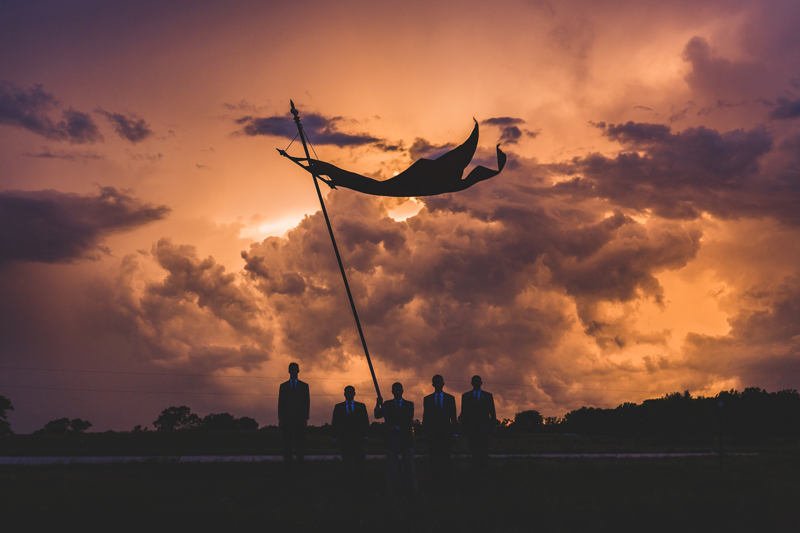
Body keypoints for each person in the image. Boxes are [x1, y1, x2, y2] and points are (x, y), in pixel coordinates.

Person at [374, 382, 418, 494]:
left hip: (406, 441)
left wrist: (397, 427)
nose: (397, 392)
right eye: (395, 390)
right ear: (392, 392)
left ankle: (413, 492)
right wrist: (378, 404)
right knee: (391, 469)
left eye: (399, 390)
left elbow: (408, 421)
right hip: (391, 441)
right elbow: (377, 415)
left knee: (410, 468)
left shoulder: (409, 404)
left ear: (402, 391)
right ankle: (391, 493)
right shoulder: (387, 404)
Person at [422, 374, 458, 486]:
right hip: (432, 434)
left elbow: (453, 417)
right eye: (436, 383)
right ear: (432, 384)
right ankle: (435, 482)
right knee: (434, 460)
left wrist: (455, 433)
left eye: (440, 382)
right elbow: (425, 417)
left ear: (443, 383)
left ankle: (447, 483)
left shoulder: (450, 398)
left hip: (446, 433)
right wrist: (424, 433)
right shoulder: (427, 399)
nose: (438, 384)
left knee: (446, 459)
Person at [332, 385, 369, 485]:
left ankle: (361, 485)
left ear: (354, 393)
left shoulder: (361, 406)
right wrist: (335, 438)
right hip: (344, 440)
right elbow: (335, 423)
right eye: (347, 392)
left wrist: (366, 436)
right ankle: (348, 484)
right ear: (344, 394)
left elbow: (365, 422)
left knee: (359, 463)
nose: (349, 393)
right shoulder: (338, 407)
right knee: (347, 464)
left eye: (350, 392)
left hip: (358, 440)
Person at [460, 375, 497, 471]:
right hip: (471, 429)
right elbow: (464, 413)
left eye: (478, 382)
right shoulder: (466, 396)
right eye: (474, 382)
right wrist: (463, 428)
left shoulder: (488, 396)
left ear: (481, 383)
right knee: (473, 451)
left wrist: (493, 427)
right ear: (472, 383)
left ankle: (484, 469)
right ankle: (475, 470)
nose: (476, 383)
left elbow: (492, 412)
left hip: (484, 428)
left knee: (484, 451)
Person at [278, 362, 309, 471]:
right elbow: (280, 402)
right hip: (287, 419)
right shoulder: (283, 386)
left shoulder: (304, 386)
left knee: (300, 444)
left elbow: (306, 402)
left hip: (299, 419)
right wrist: (280, 417)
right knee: (287, 444)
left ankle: (300, 467)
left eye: (295, 369)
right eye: (292, 369)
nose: (294, 371)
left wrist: (305, 418)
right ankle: (288, 467)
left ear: (298, 371)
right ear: (289, 371)